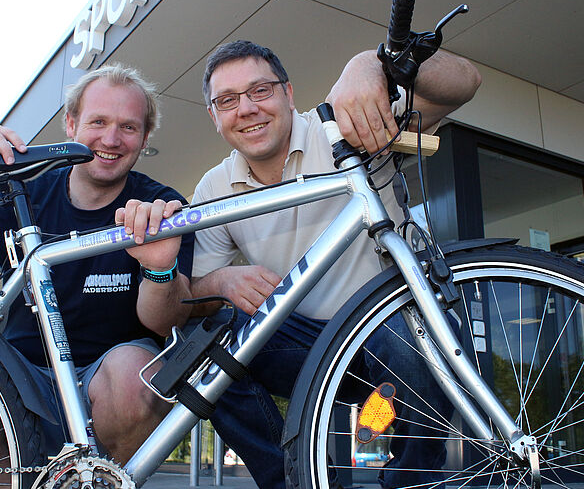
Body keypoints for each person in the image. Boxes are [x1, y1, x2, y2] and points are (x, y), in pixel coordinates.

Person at [189, 40, 481, 489]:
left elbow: (466, 82)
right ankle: (296, 480)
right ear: (213, 116)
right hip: (310, 348)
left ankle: (412, 480)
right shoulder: (214, 188)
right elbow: (192, 296)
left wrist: (372, 63)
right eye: (227, 100)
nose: (246, 108)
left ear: (289, 93)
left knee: (403, 328)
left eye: (260, 90)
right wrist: (222, 280)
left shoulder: (341, 126)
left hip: (396, 335)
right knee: (201, 346)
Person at [0, 64, 193, 471]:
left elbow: (165, 322)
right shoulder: (22, 192)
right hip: (19, 379)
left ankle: (103, 481)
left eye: (128, 127)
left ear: (145, 138)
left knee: (136, 377)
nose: (111, 139)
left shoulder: (159, 207)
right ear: (71, 124)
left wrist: (159, 269)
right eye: (98, 121)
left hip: (111, 384)